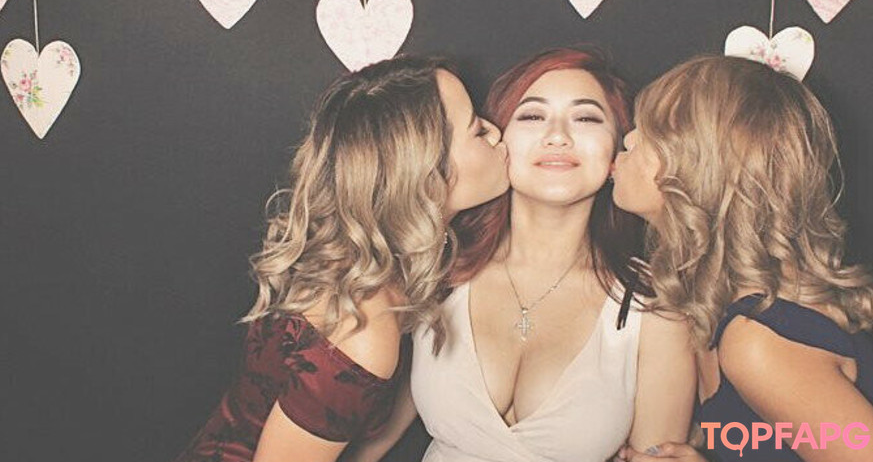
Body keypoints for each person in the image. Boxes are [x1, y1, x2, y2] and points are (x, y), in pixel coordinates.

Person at [351, 48, 696, 462]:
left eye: (586, 118)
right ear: (495, 139)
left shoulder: (654, 308)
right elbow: (375, 435)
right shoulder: (437, 271)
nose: (558, 136)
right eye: (532, 115)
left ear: (616, 153)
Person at [174, 55, 510, 462]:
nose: (496, 131)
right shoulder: (363, 333)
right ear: (428, 175)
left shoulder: (377, 261)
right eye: (477, 129)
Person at [612, 55, 873, 462]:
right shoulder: (720, 311)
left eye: (650, 132)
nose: (629, 140)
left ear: (700, 167)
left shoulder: (759, 340)